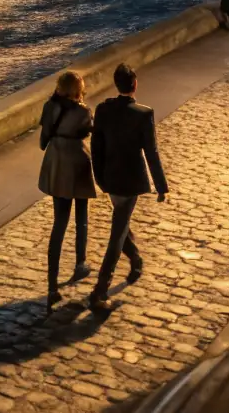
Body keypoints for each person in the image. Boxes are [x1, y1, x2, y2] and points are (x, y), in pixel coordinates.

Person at [88, 63, 168, 314]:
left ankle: (135, 259)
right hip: (131, 180)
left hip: (110, 178)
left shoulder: (102, 109)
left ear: (116, 84)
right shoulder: (144, 113)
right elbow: (151, 152)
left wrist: (99, 178)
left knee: (121, 223)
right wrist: (161, 185)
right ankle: (100, 289)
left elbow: (96, 147)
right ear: (134, 84)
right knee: (117, 232)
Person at [38, 70, 96, 311]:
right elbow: (90, 130)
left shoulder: (49, 107)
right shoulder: (83, 112)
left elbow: (43, 142)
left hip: (56, 163)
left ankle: (52, 286)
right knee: (81, 214)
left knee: (58, 223)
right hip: (77, 162)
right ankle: (80, 262)